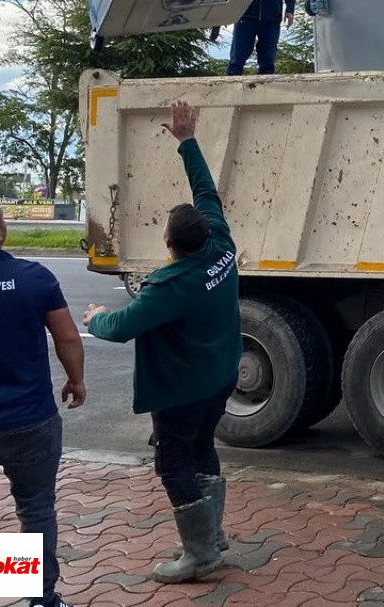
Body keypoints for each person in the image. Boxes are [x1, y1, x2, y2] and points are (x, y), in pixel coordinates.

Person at [83, 102, 241, 584]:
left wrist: (96, 316)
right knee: (203, 450)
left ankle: (199, 554)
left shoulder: (171, 285)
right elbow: (206, 190)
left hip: (182, 391)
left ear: (169, 242)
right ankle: (210, 535)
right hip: (220, 377)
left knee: (173, 463)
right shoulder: (221, 244)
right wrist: (187, 140)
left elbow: (122, 326)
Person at [0, 193, 85, 607]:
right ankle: (39, 599)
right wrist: (76, 381)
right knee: (35, 511)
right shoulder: (34, 277)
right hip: (30, 421)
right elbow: (68, 336)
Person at [226, 0, 295, 75]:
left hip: (271, 16)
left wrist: (290, 9)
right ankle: (230, 91)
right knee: (236, 62)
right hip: (245, 15)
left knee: (267, 63)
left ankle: (266, 92)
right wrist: (227, 11)